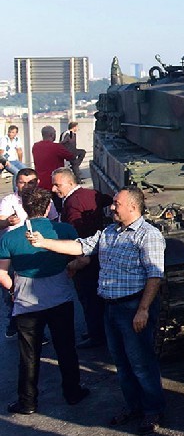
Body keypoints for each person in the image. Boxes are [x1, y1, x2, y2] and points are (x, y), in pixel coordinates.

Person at [27, 186, 167, 435]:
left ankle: (152, 410)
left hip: (133, 307)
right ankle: (133, 406)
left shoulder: (149, 235)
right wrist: (44, 243)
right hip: (111, 308)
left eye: (117, 204)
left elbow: (154, 275)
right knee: (122, 363)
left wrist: (144, 309)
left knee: (141, 363)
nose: (112, 207)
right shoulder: (110, 232)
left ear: (133, 207)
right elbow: (80, 247)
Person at [0, 187, 89, 414]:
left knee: (28, 354)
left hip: (27, 304)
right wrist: (70, 269)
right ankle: (73, 392)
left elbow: (2, 275)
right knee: (66, 348)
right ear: (49, 207)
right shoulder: (64, 229)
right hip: (60, 298)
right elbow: (82, 259)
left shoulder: (9, 238)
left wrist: (14, 291)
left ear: (24, 207)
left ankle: (27, 401)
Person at [51, 167, 111, 348]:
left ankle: (96, 334)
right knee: (95, 297)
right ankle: (98, 330)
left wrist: (77, 260)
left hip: (83, 257)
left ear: (70, 183)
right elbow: (107, 200)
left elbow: (75, 233)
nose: (54, 189)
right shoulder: (90, 193)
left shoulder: (72, 204)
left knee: (88, 297)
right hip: (97, 252)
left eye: (57, 185)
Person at [0, 168, 59, 339]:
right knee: (11, 291)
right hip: (13, 253)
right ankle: (14, 320)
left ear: (37, 182)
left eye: (30, 182)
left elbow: (54, 221)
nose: (26, 186)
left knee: (38, 290)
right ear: (16, 183)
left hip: (39, 250)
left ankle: (38, 327)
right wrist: (7, 221)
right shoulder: (9, 201)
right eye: (22, 182)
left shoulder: (44, 199)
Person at [31, 126, 74, 191]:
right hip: (54, 183)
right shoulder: (57, 147)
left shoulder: (35, 146)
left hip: (40, 182)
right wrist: (71, 143)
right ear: (52, 135)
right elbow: (71, 156)